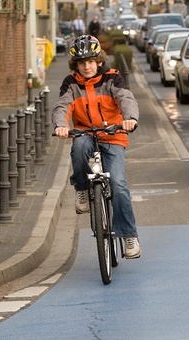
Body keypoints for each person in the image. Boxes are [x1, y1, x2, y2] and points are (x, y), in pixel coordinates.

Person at [52, 35, 141, 259]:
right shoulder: (70, 83)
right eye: (82, 63)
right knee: (79, 146)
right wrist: (60, 125)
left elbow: (127, 100)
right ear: (76, 65)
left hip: (113, 135)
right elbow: (62, 106)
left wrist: (129, 118)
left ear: (99, 61)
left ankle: (129, 235)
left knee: (118, 183)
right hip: (85, 133)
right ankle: (82, 189)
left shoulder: (113, 79)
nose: (87, 66)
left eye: (91, 61)